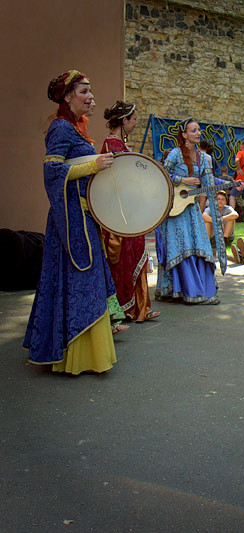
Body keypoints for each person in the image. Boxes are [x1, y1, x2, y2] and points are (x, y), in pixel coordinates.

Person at [24, 70, 118, 374]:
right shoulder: (60, 129)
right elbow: (52, 173)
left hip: (83, 216)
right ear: (67, 96)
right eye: (83, 92)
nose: (91, 97)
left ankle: (88, 353)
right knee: (77, 281)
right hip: (69, 220)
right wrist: (94, 164)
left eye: (90, 91)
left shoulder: (74, 130)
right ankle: (73, 355)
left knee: (87, 282)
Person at [99, 100, 159, 324]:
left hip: (127, 213)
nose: (135, 124)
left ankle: (140, 306)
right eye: (133, 120)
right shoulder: (113, 146)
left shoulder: (118, 146)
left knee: (134, 255)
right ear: (124, 121)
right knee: (126, 258)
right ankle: (129, 308)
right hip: (122, 216)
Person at [156, 117, 219, 305]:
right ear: (184, 135)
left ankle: (200, 289)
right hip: (176, 210)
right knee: (182, 247)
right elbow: (162, 174)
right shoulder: (175, 154)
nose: (198, 133)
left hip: (192, 210)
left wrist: (236, 184)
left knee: (201, 246)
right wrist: (182, 180)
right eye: (193, 130)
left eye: (199, 130)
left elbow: (209, 181)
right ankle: (186, 290)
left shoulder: (202, 158)